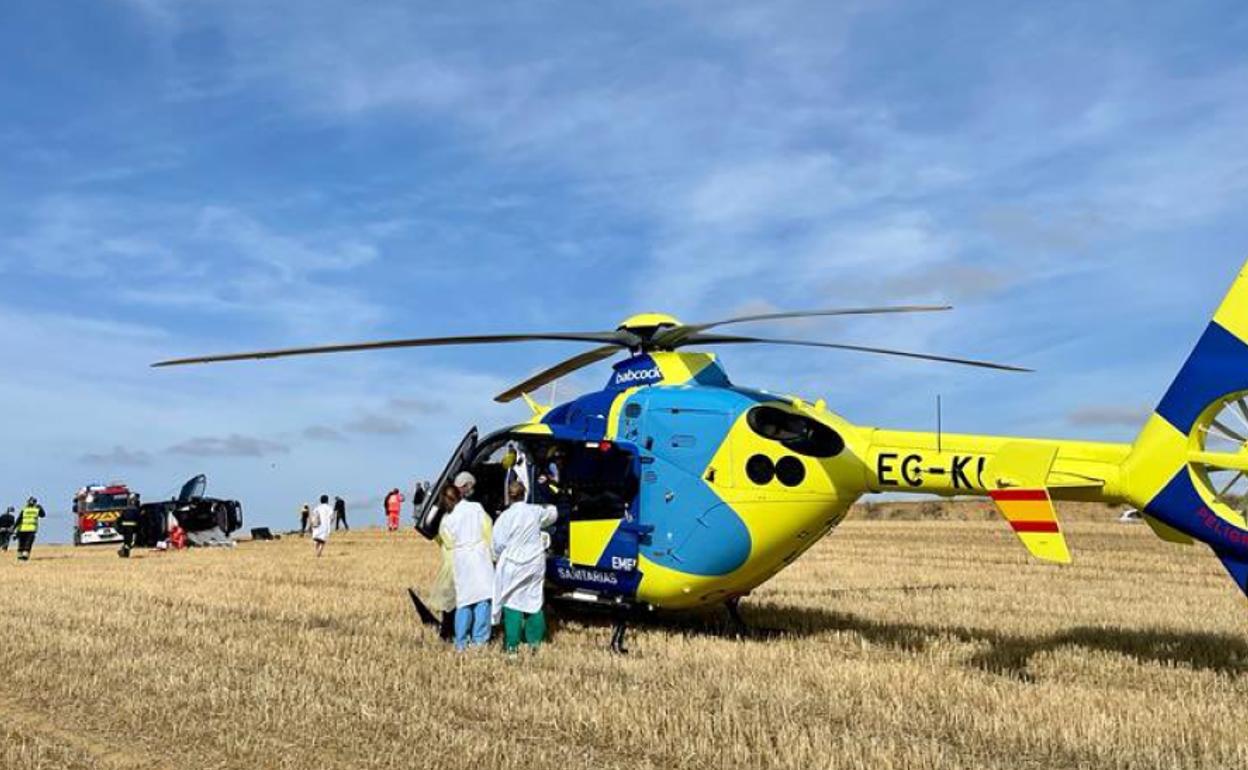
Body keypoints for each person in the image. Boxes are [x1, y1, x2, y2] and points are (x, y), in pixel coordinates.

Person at [492, 480, 558, 653]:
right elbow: (553, 513)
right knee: (534, 600)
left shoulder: (504, 517)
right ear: (525, 494)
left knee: (511, 602)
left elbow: (497, 544)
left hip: (513, 563)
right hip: (535, 563)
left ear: (509, 496)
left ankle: (512, 646)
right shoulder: (535, 512)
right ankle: (534, 642)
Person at [438, 473, 494, 650]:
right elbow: (488, 527)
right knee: (483, 600)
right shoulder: (476, 507)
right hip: (480, 555)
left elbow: (446, 542)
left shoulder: (447, 519)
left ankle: (461, 641)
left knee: (464, 601)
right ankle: (480, 640)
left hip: (461, 558)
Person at [15, 497, 45, 562]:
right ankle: (24, 557)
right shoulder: (36, 509)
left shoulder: (24, 509)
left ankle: (20, 557)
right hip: (31, 529)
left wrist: (14, 528)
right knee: (28, 543)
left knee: (21, 543)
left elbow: (19, 519)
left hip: (23, 529)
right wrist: (40, 508)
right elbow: (43, 515)